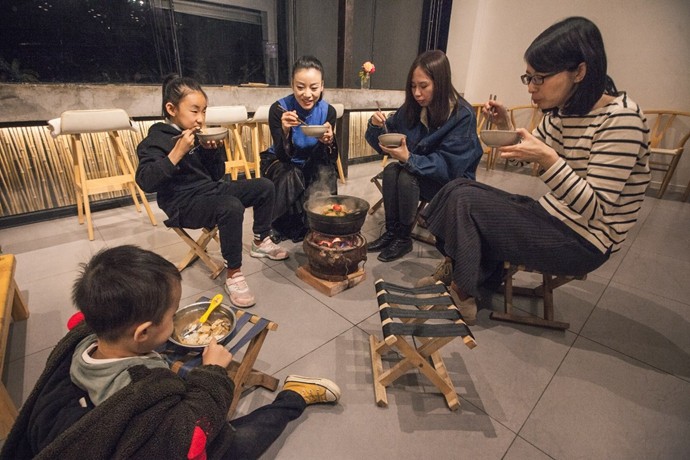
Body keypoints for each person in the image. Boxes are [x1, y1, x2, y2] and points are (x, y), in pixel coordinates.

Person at [0, 245, 341, 460]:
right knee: (239, 441)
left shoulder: (82, 340)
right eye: (171, 315)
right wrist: (212, 375)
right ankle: (294, 395)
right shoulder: (143, 389)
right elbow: (190, 435)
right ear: (143, 332)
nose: (175, 318)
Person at [420, 17, 651, 325]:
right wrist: (506, 127)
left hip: (583, 241)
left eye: (539, 78)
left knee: (466, 202)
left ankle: (463, 291)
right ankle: (470, 270)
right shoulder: (563, 113)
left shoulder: (622, 121)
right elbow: (524, 157)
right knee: (460, 188)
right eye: (527, 77)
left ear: (579, 71)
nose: (531, 87)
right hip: (552, 214)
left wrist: (549, 159)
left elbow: (595, 208)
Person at [136, 75, 288, 308]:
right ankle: (234, 274)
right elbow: (146, 181)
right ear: (171, 108)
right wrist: (176, 153)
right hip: (182, 204)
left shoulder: (198, 135)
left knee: (264, 186)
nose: (200, 119)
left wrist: (211, 151)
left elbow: (217, 174)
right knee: (230, 206)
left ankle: (261, 240)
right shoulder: (154, 140)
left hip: (211, 189)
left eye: (204, 111)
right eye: (194, 111)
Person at [364, 49, 484, 262]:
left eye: (423, 86)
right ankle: (392, 232)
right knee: (392, 170)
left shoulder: (461, 115)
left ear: (441, 83)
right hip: (421, 173)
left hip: (452, 183)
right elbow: (385, 136)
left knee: (406, 175)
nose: (417, 93)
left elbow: (450, 166)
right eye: (412, 86)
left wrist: (410, 159)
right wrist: (375, 126)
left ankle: (403, 238)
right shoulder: (413, 107)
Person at [262, 55, 339, 242]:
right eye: (300, 87)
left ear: (322, 86)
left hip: (311, 159)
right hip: (281, 162)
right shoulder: (279, 109)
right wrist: (285, 131)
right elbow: (282, 156)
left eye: (314, 88)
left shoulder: (328, 112)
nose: (307, 94)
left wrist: (329, 141)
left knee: (327, 171)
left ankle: (322, 219)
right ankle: (272, 225)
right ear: (292, 85)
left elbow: (331, 157)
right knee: (292, 173)